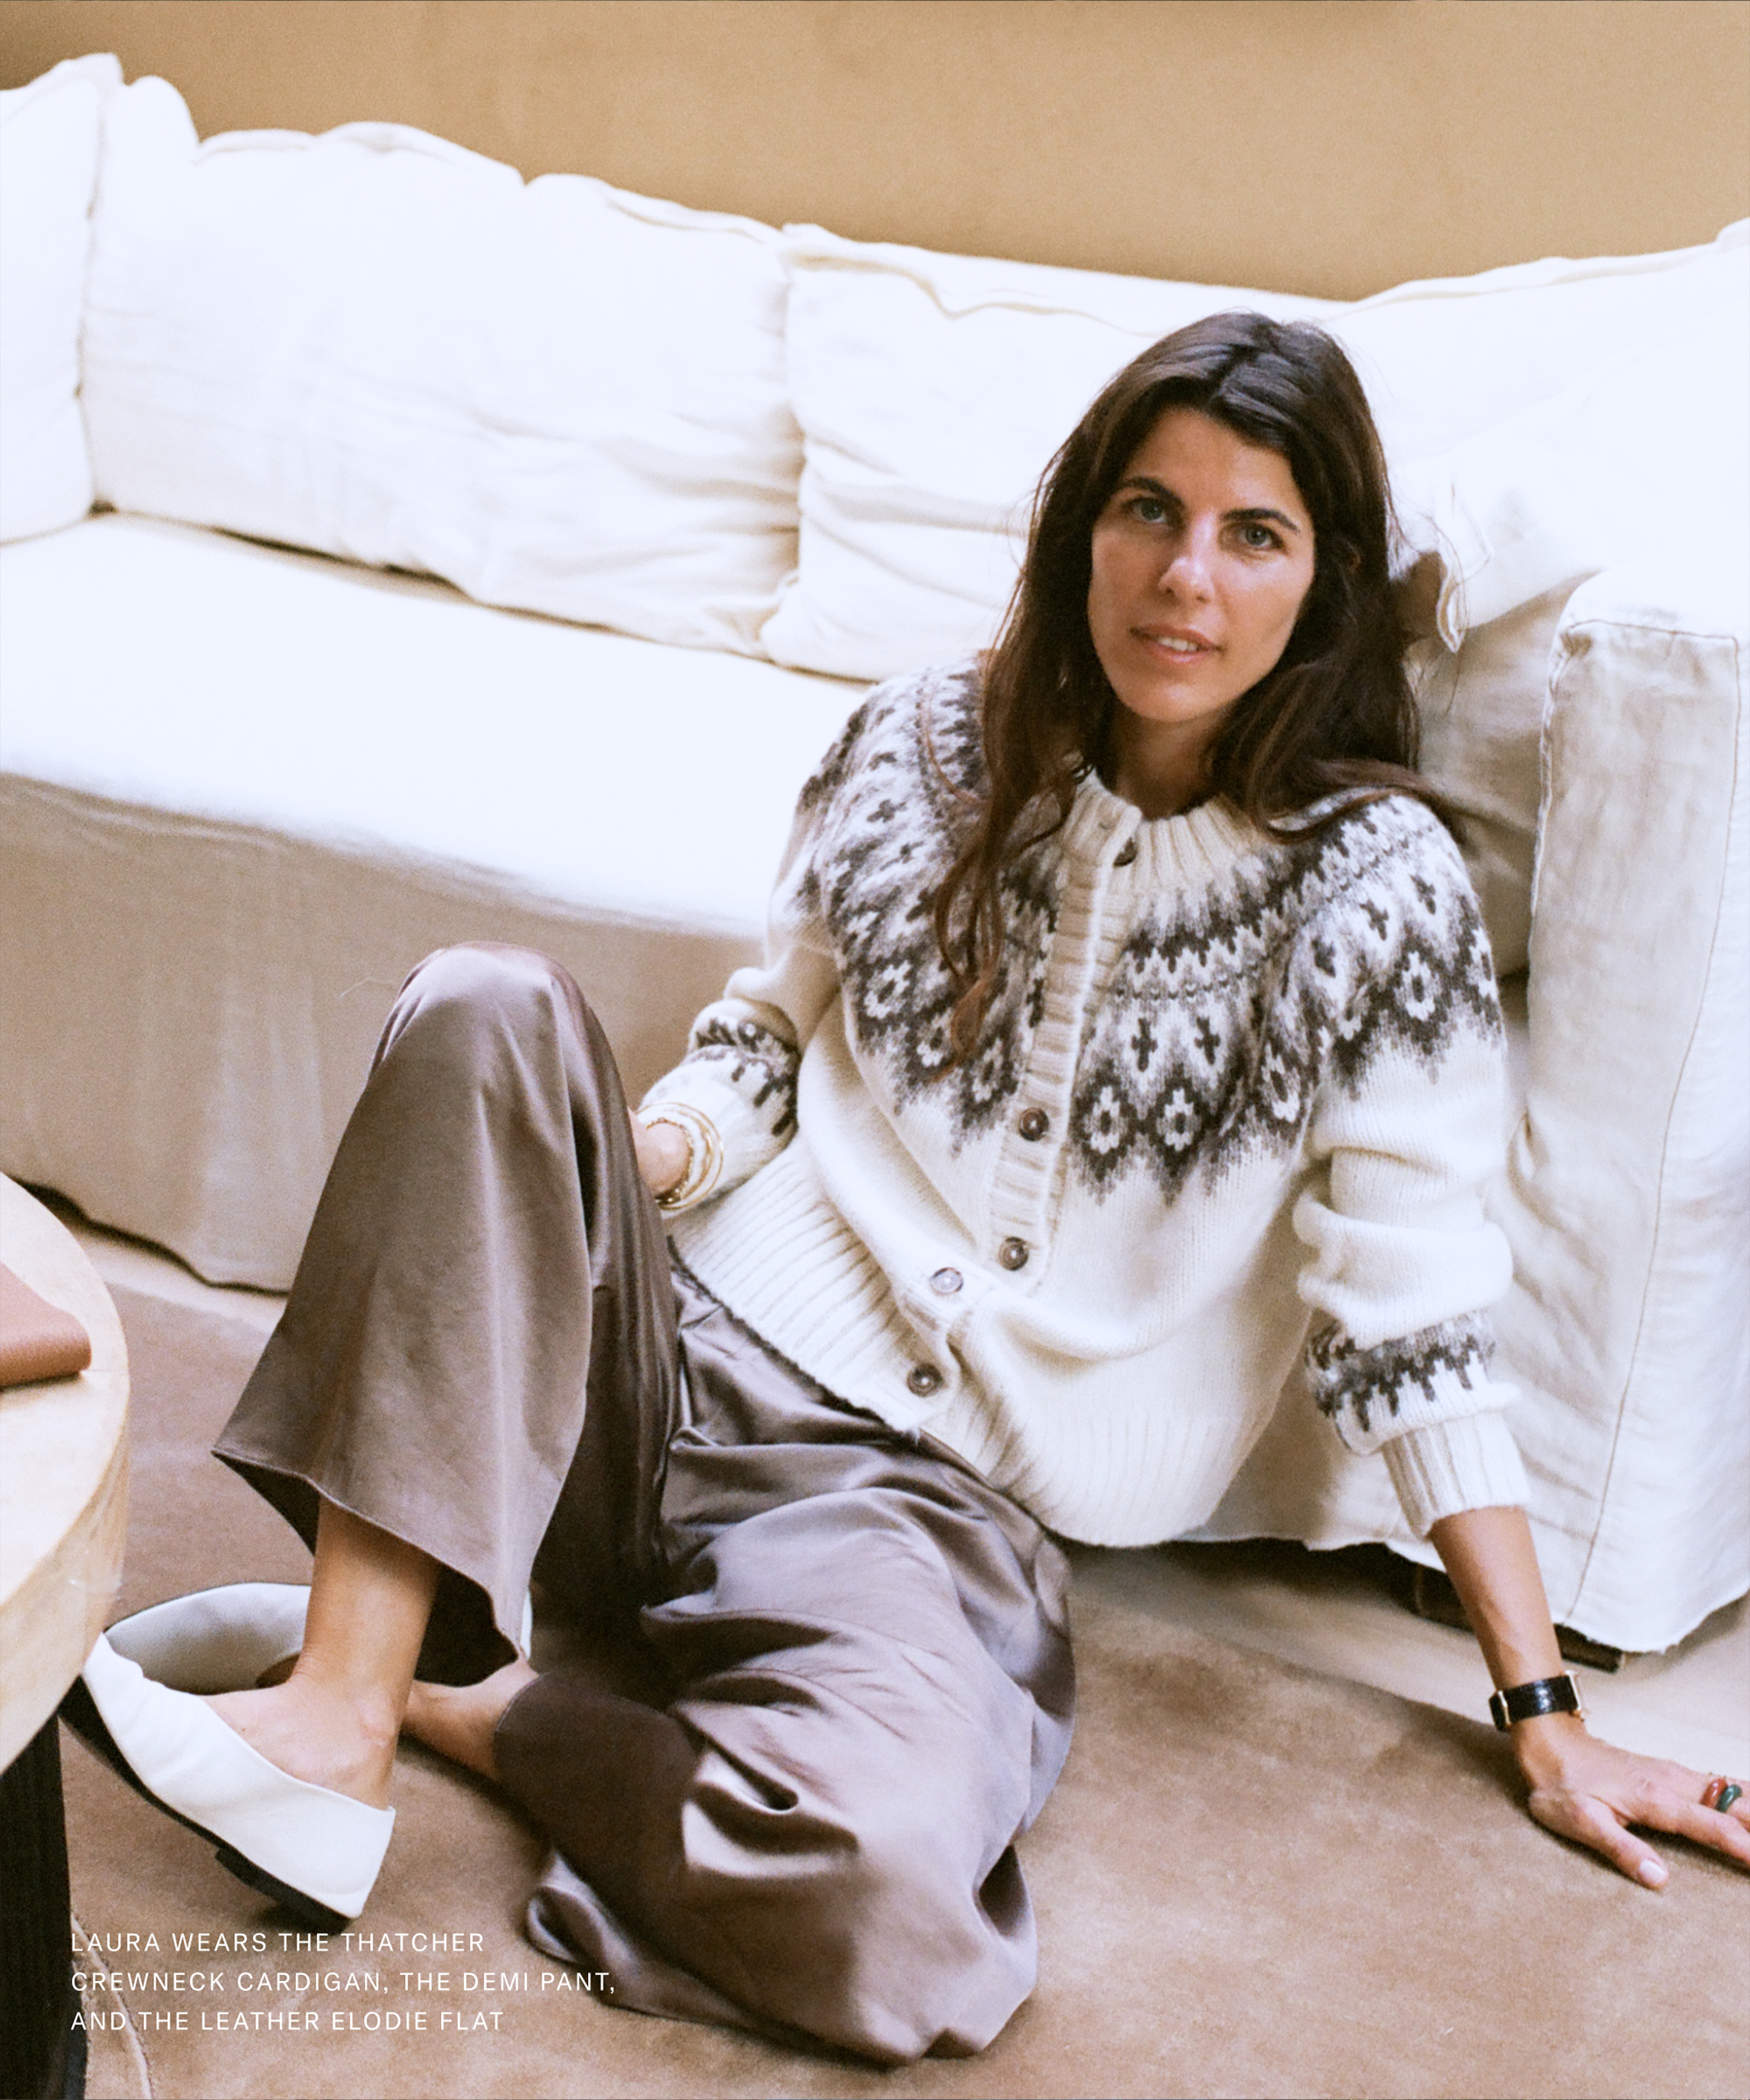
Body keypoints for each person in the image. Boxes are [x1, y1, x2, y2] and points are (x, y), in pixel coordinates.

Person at [72, 313, 1750, 2065]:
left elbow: (1415, 1320)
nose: (1183, 577)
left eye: (1253, 535)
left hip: (899, 1511)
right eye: (1143, 509)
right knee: (480, 1003)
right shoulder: (921, 740)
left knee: (882, 1915)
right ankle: (331, 1715)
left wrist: (1542, 1708)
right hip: (660, 1360)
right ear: (1076, 531)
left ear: (1319, 592)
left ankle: (455, 1691)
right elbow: (754, 1053)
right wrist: (608, 1180)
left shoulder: (1371, 889)